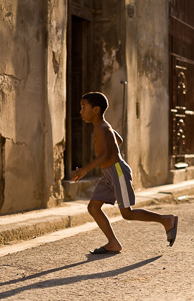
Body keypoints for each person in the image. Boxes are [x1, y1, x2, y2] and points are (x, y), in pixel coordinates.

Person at [72, 92, 178, 254]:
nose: (80, 111)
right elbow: (118, 140)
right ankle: (113, 243)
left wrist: (86, 169)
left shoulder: (102, 128)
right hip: (109, 172)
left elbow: (105, 155)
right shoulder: (104, 127)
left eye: (83, 107)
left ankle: (166, 220)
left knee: (127, 213)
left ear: (96, 110)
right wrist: (112, 150)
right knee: (93, 207)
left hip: (118, 172)